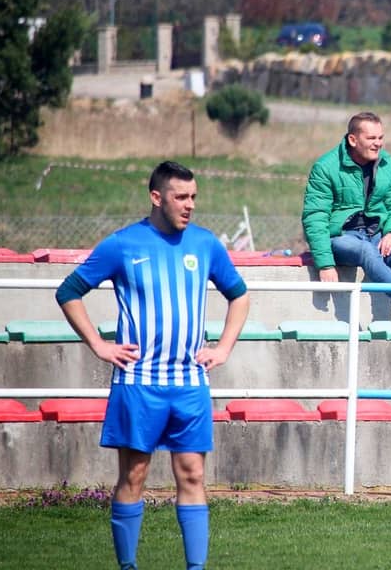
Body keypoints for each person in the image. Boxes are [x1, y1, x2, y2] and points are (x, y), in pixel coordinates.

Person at [56, 160, 250, 570]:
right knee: (134, 475)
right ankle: (128, 566)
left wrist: (223, 348)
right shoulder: (122, 244)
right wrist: (98, 345)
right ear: (156, 197)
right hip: (138, 382)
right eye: (181, 197)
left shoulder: (205, 244)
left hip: (190, 382)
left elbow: (239, 295)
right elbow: (69, 291)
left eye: (194, 197)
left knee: (193, 475)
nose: (190, 205)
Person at [302, 111, 391, 322]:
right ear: (353, 140)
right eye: (371, 138)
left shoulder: (386, 164)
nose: (378, 143)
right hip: (341, 238)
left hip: (374, 235)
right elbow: (315, 218)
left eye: (380, 137)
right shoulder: (325, 167)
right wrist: (325, 264)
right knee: (366, 250)